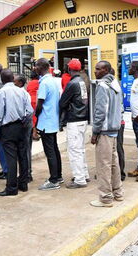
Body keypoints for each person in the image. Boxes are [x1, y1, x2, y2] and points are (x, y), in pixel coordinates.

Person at [90, 61, 123, 207]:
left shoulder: (102, 86)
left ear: (106, 70)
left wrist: (95, 131)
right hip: (114, 129)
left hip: (104, 131)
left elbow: (100, 111)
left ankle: (105, 198)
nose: (95, 71)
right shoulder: (116, 85)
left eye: (98, 69)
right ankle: (118, 193)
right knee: (114, 163)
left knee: (103, 165)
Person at [0, 69, 33, 196]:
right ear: (12, 79)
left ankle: (11, 187)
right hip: (22, 126)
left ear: (2, 79)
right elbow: (30, 110)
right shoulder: (22, 91)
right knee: (23, 156)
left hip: (8, 128)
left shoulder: (2, 92)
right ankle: (23, 183)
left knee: (11, 158)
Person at [59, 59, 90, 188]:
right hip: (82, 119)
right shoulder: (81, 81)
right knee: (80, 149)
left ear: (69, 69)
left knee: (74, 151)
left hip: (75, 120)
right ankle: (84, 174)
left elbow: (62, 103)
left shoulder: (72, 83)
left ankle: (79, 179)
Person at [35, 58, 63, 190]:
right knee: (55, 150)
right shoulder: (52, 81)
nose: (35, 68)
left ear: (41, 67)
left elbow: (40, 104)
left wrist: (35, 117)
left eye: (36, 66)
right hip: (53, 120)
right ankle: (58, 176)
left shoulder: (45, 83)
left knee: (50, 151)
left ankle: (53, 180)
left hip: (46, 121)